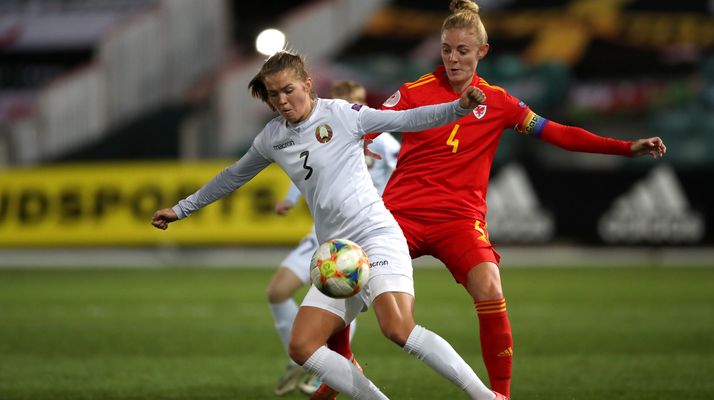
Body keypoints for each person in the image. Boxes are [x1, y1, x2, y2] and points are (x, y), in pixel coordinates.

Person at [318, 0, 667, 399]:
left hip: (459, 221)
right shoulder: (415, 92)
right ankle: (340, 369)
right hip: (401, 217)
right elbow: (367, 125)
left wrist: (626, 147)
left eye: (463, 51)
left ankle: (500, 395)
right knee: (345, 277)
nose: (453, 58)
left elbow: (559, 133)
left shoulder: (500, 103)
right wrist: (358, 144)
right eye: (447, 49)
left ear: (482, 51)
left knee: (490, 286)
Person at [151, 50, 509, 400]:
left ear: (308, 84)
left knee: (398, 328)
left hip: (375, 235)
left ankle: (486, 397)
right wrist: (183, 209)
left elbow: (406, 120)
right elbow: (232, 177)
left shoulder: (341, 114)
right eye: (274, 94)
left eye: (288, 90)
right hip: (337, 255)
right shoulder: (272, 138)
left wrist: (458, 108)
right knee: (302, 346)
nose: (282, 100)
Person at [267, 80, 401, 396]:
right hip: (324, 233)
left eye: (354, 102)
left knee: (344, 293)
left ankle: (330, 363)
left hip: (362, 232)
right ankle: (310, 361)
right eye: (341, 102)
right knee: (277, 291)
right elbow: (307, 171)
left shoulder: (384, 142)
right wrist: (291, 197)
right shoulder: (322, 132)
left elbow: (404, 174)